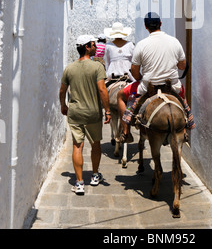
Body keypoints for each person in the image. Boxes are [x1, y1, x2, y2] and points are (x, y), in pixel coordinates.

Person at [118, 12, 195, 143]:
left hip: (148, 87)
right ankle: (186, 126)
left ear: (146, 27)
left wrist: (142, 77)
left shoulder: (141, 45)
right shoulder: (174, 42)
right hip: (172, 87)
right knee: (182, 94)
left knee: (120, 95)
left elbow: (135, 73)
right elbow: (182, 66)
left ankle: (126, 132)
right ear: (160, 24)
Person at [59, 34, 111, 195]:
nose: (96, 47)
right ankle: (95, 176)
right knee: (96, 144)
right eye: (94, 45)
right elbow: (102, 90)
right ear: (87, 47)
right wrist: (107, 110)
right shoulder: (97, 67)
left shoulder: (69, 68)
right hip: (93, 112)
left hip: (75, 112)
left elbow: (62, 91)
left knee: (77, 146)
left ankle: (79, 183)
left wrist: (63, 105)